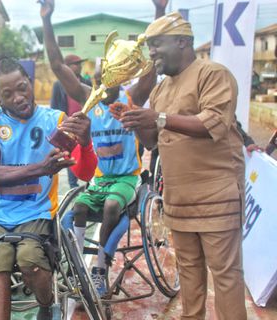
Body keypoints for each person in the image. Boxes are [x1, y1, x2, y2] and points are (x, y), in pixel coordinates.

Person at [120, 11, 247, 320]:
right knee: (188, 273)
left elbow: (212, 122)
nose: (151, 53)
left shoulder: (213, 74)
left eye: (156, 44)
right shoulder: (161, 89)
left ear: (182, 41)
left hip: (215, 196)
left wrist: (158, 118)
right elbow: (153, 141)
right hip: (178, 200)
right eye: (149, 46)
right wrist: (134, 118)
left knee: (225, 275)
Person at [39, 0, 160, 297]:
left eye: (114, 75)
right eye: (103, 74)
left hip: (127, 178)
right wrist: (46, 19)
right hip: (101, 178)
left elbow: (152, 68)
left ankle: (100, 268)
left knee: (110, 207)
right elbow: (56, 65)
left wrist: (159, 12)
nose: (107, 79)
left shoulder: (132, 97)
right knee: (79, 206)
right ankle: (78, 264)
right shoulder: (88, 98)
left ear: (123, 79)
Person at [0, 57, 96, 320]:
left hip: (36, 211)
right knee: (0, 264)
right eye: (8, 94)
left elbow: (84, 173)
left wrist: (85, 142)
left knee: (30, 262)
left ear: (30, 83)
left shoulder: (57, 121)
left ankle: (45, 305)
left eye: (22, 88)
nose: (18, 97)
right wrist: (41, 168)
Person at [50, 54, 92, 189]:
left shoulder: (87, 83)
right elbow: (54, 106)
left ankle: (89, 183)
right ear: (67, 68)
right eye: (76, 64)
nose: (79, 66)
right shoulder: (58, 85)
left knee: (87, 153)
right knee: (71, 155)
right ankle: (73, 185)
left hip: (84, 126)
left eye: (80, 64)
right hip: (68, 126)